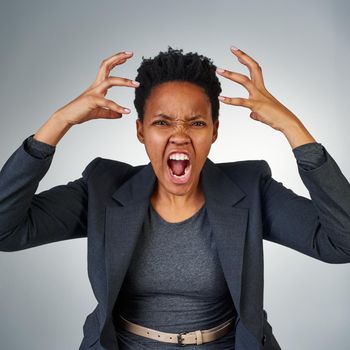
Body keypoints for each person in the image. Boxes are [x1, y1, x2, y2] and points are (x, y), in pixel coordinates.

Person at [0, 46, 349, 350]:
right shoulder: (103, 188)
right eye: (162, 123)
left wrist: (294, 129)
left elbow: (342, 243)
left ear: (214, 130)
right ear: (140, 130)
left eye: (196, 123)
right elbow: (5, 230)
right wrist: (57, 123)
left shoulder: (250, 188)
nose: (179, 136)